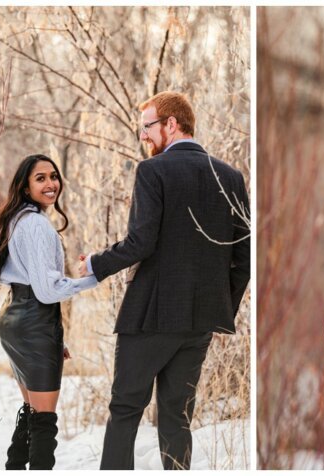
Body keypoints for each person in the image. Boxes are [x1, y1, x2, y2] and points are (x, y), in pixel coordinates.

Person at [80, 91, 250, 470]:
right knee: (177, 418)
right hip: (201, 323)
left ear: (171, 124)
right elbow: (244, 261)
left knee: (125, 409)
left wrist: (94, 264)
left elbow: (141, 242)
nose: (143, 136)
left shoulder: (152, 171)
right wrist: (219, 305)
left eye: (147, 127)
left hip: (151, 318)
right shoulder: (231, 177)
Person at [0, 154, 99, 470]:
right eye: (41, 178)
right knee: (44, 420)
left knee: (33, 410)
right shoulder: (36, 225)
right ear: (25, 185)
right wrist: (94, 278)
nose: (51, 184)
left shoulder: (17, 218)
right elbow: (47, 290)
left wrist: (53, 337)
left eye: (53, 176)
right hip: (35, 319)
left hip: (15, 318)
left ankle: (15, 467)